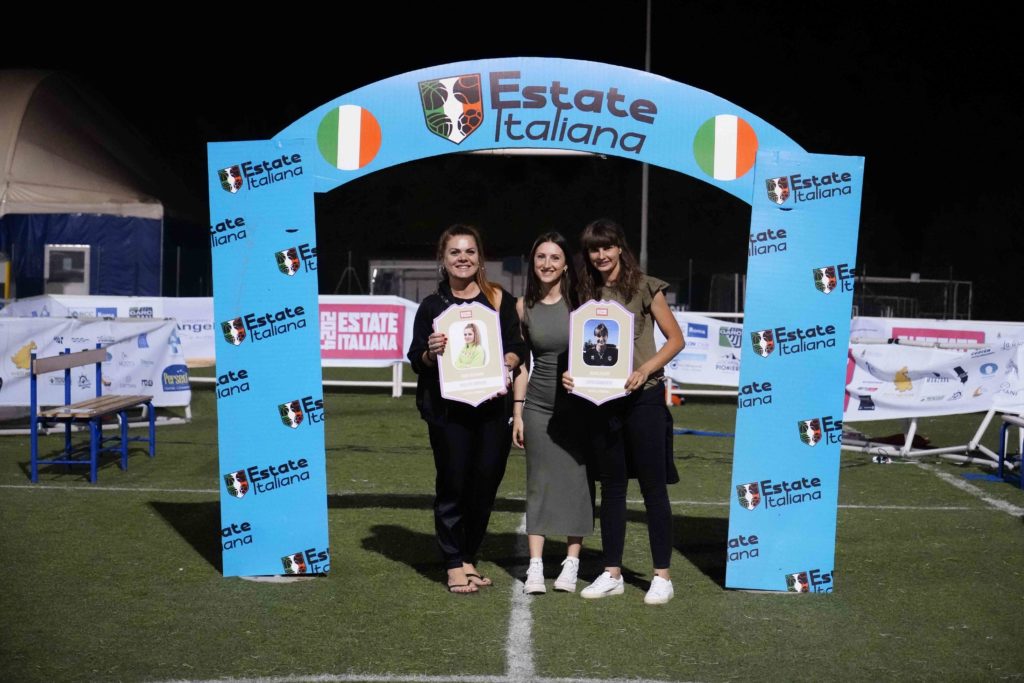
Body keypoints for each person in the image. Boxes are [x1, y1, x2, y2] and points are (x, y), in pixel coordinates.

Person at [562, 218, 685, 605]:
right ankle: (611, 572)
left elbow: (675, 339)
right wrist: (573, 374)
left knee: (652, 489)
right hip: (602, 401)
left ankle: (662, 576)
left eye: (607, 247)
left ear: (620, 248)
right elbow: (582, 346)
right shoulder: (584, 291)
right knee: (612, 488)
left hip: (644, 398)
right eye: (593, 249)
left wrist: (646, 369)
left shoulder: (646, 286)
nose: (600, 255)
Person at [408, 224, 526, 594]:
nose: (463, 258)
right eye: (455, 252)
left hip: (492, 410)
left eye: (470, 251)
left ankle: (468, 556)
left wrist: (507, 359)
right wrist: (431, 352)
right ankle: (453, 562)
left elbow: (518, 347)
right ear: (443, 260)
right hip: (449, 413)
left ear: (480, 257)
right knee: (453, 484)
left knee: (485, 485)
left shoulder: (498, 300)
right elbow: (416, 358)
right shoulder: (432, 306)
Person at [511, 232, 593, 594]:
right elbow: (522, 364)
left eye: (555, 257)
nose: (547, 264)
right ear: (533, 263)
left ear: (565, 265)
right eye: (541, 257)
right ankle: (535, 566)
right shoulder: (521, 307)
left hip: (578, 407)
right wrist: (518, 411)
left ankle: (571, 563)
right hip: (538, 407)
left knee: (577, 482)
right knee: (538, 483)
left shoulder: (583, 304)